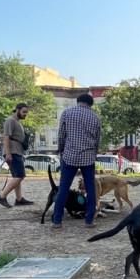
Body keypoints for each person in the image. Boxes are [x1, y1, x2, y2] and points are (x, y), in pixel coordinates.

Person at [51, 93, 101, 229]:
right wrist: (94, 153)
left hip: (69, 156)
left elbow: (61, 135)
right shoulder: (95, 117)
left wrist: (61, 150)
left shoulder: (67, 113)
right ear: (91, 104)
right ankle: (89, 220)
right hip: (88, 157)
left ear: (78, 101)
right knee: (91, 189)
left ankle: (57, 221)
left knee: (63, 188)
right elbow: (97, 140)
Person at [0, 103, 34, 207]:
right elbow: (6, 137)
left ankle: (19, 199)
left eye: (27, 112)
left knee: (17, 176)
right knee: (20, 175)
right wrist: (8, 153)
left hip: (18, 151)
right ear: (17, 110)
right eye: (24, 112)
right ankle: (1, 196)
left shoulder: (17, 122)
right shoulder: (10, 120)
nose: (25, 114)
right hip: (13, 152)